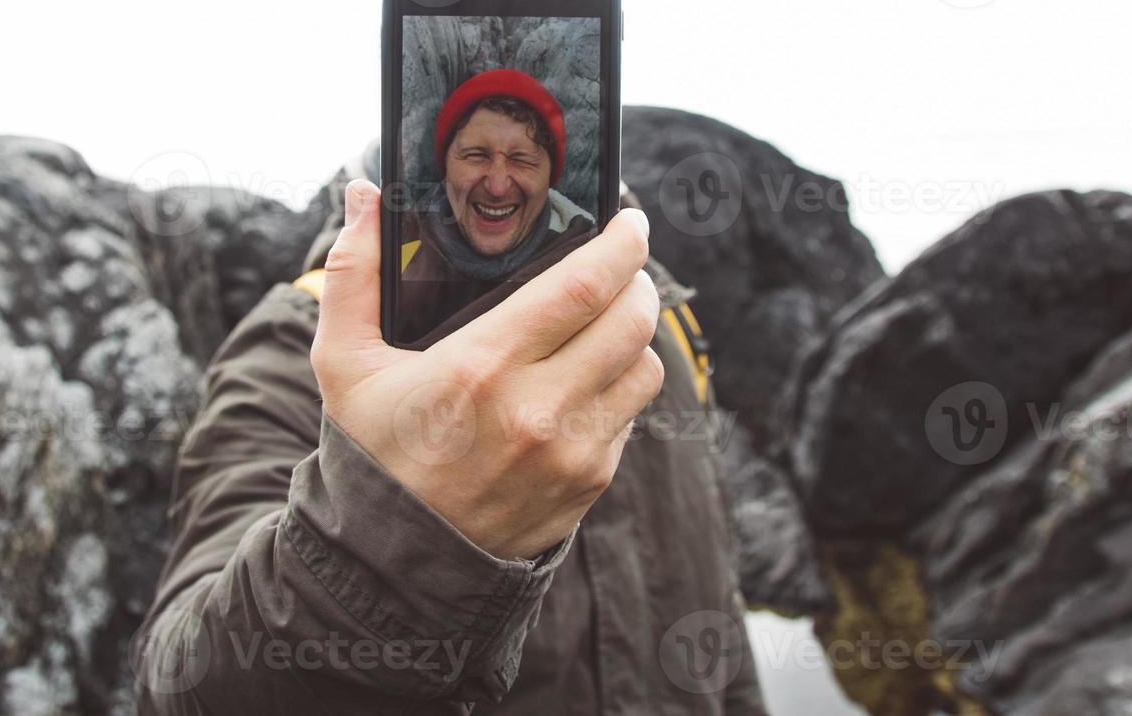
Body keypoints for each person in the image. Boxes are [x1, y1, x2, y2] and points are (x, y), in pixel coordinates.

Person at [133, 155, 766, 714]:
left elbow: (717, 608)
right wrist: (389, 558)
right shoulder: (307, 344)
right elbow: (180, 682)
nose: (499, 178)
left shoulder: (653, 317)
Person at [398, 69, 597, 346]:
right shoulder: (394, 244)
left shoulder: (594, 259)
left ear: (549, 180)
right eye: (477, 155)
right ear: (446, 165)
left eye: (522, 160)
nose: (497, 187)